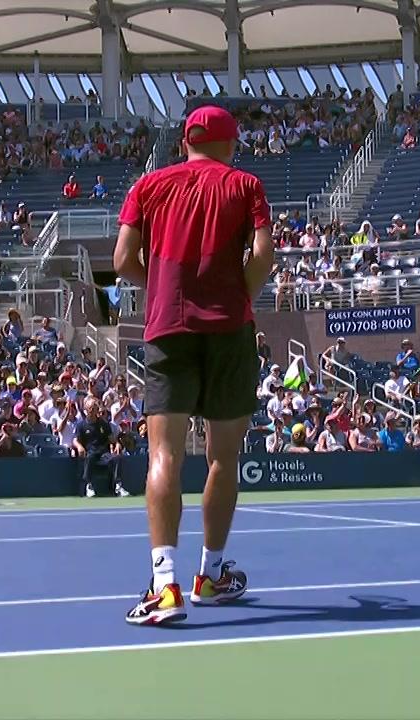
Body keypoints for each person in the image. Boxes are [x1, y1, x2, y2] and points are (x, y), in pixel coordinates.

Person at [113, 104, 274, 625]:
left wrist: (161, 289)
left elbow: (121, 261)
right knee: (222, 458)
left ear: (185, 142)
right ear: (230, 145)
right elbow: (264, 254)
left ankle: (165, 588)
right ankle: (211, 575)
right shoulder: (245, 185)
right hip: (230, 331)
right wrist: (237, 298)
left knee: (165, 456)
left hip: (169, 330)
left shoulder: (149, 186)